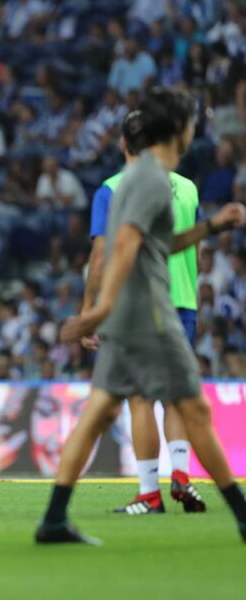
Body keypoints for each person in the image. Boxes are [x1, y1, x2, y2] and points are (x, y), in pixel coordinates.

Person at [37, 88, 246, 545]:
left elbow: (157, 244)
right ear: (177, 129)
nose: (194, 130)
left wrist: (213, 225)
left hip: (129, 315)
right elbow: (125, 245)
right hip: (149, 315)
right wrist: (101, 308)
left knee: (99, 411)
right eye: (190, 123)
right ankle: (241, 514)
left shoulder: (136, 179)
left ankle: (53, 519)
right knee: (192, 408)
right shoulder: (154, 180)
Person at [83, 110, 206, 515]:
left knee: (139, 400)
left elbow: (101, 255)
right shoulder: (188, 188)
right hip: (182, 301)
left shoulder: (113, 188)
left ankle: (150, 493)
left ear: (124, 143)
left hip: (137, 306)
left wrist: (89, 308)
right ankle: (182, 476)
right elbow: (196, 254)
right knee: (177, 398)